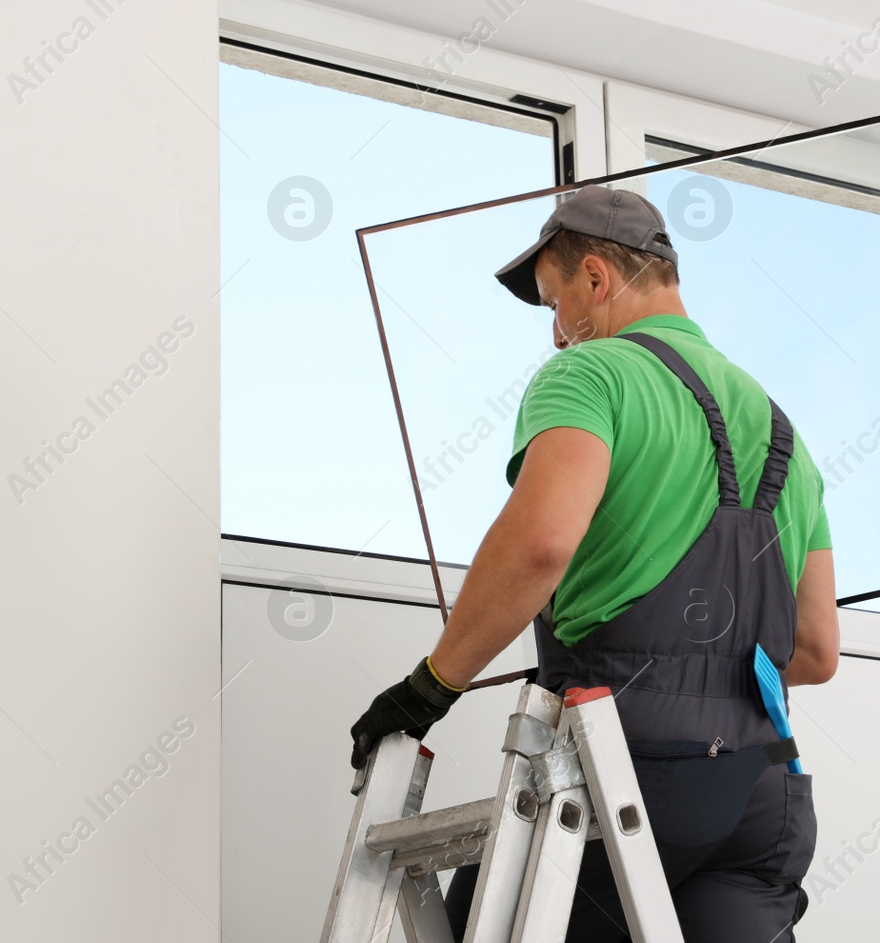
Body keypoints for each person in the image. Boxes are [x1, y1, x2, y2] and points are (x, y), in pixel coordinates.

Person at [349, 184, 839, 941]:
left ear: (597, 279)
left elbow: (541, 541)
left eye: (553, 304)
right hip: (762, 790)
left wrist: (430, 687)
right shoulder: (784, 433)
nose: (555, 334)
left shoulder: (593, 374)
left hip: (625, 768)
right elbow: (815, 651)